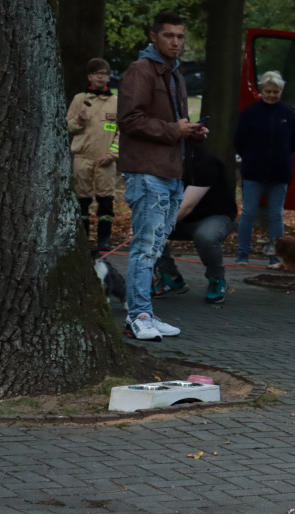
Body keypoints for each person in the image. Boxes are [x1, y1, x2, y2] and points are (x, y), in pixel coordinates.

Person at [117, 9, 208, 341]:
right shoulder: (140, 70)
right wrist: (174, 129)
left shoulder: (174, 73)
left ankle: (147, 314)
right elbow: (128, 120)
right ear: (153, 37)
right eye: (169, 35)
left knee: (155, 246)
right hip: (146, 171)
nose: (176, 42)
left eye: (181, 36)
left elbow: (172, 128)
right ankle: (138, 316)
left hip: (170, 171)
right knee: (145, 246)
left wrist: (191, 132)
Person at [233, 70, 295, 265]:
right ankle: (242, 255)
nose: (271, 95)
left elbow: (294, 142)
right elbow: (239, 140)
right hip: (253, 172)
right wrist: (251, 158)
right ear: (261, 90)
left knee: (275, 215)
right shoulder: (250, 113)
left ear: (281, 91)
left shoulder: (289, 115)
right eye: (268, 91)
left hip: (279, 174)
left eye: (275, 91)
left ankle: (275, 257)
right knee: (248, 213)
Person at [154, 146, 237, 304]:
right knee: (148, 229)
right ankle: (170, 277)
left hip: (215, 216)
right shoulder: (164, 160)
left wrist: (161, 226)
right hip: (181, 219)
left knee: (206, 236)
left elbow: (186, 206)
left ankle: (216, 279)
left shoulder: (205, 162)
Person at [67, 57, 119, 252]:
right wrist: (79, 121)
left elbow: (121, 133)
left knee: (106, 202)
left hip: (106, 160)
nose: (101, 77)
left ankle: (104, 239)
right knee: (82, 202)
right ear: (89, 77)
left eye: (105, 74)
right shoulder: (79, 99)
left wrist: (112, 155)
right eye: (97, 74)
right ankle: (83, 240)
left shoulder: (115, 102)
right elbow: (69, 127)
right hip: (82, 159)